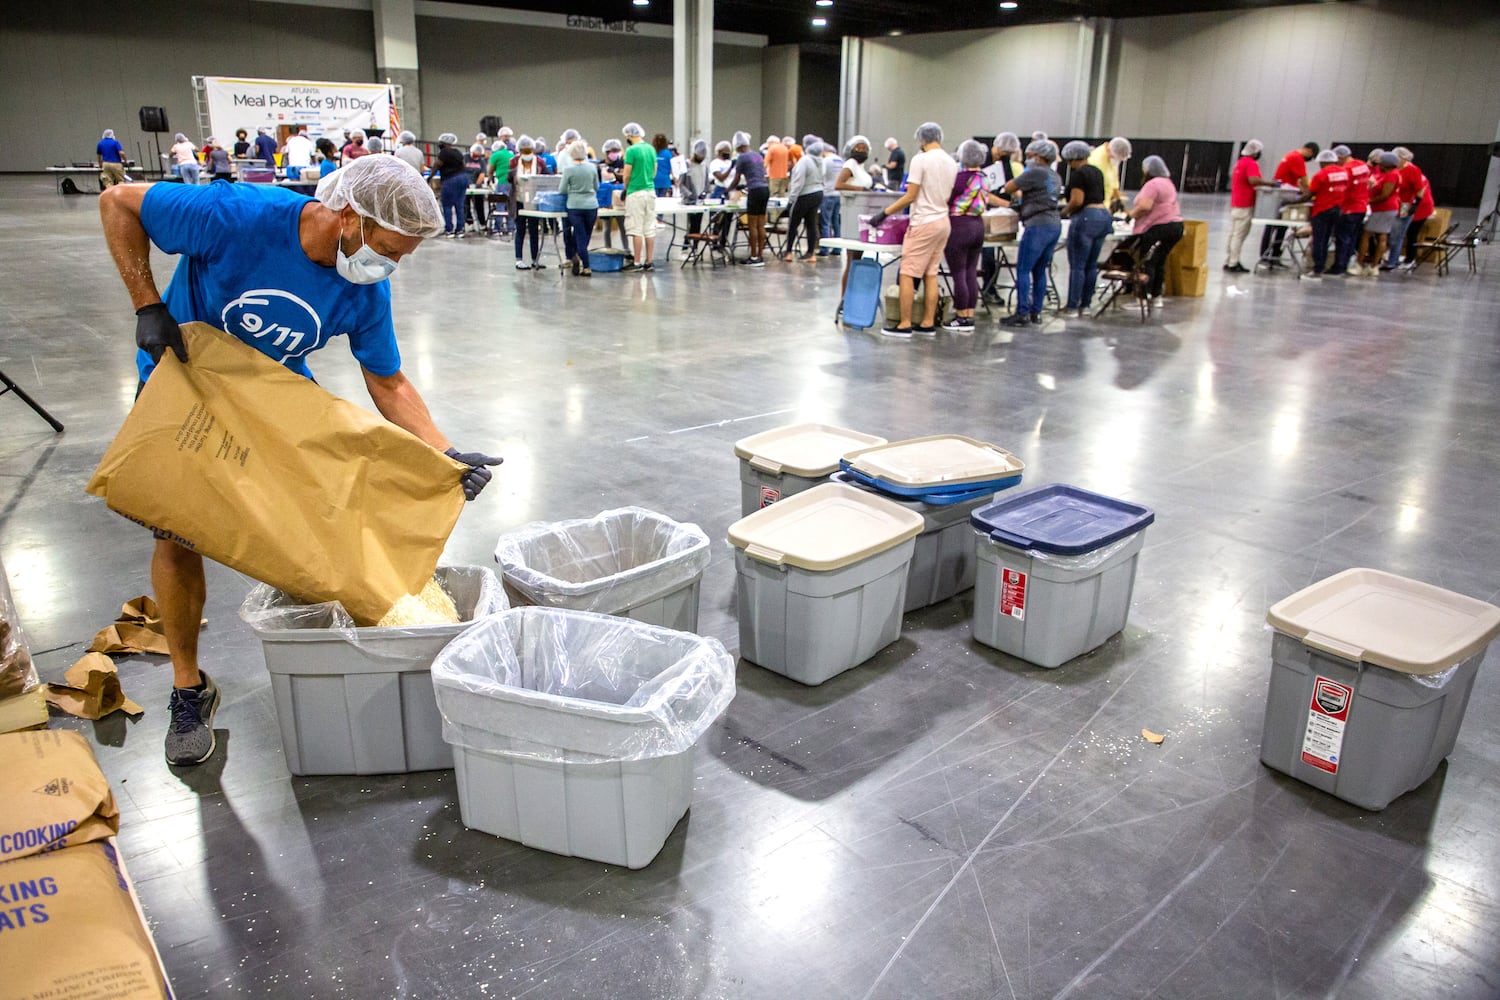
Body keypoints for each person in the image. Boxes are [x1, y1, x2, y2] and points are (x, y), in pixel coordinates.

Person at [98, 154, 499, 767]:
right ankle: (188, 689)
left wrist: (442, 453)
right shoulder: (236, 216)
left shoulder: (366, 289)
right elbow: (119, 202)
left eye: (402, 258)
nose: (390, 266)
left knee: (316, 524)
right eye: (389, 249)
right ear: (349, 216)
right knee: (178, 536)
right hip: (188, 391)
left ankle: (325, 659)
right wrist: (147, 303)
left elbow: (387, 381)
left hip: (273, 405)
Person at [874, 122, 957, 336]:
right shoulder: (951, 161)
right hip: (943, 222)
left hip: (923, 222)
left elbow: (911, 195)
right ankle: (928, 322)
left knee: (908, 273)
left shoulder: (921, 160)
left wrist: (884, 213)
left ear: (922, 139)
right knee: (931, 272)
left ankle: (905, 324)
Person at [943, 139, 1008, 331]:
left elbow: (946, 199)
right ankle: (970, 312)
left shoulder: (959, 179)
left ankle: (961, 314)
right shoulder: (985, 178)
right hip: (978, 225)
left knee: (959, 273)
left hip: (959, 225)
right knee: (971, 271)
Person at [998, 140, 1062, 327]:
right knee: (1040, 270)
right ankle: (1036, 312)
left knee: (1024, 269)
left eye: (1030, 156)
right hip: (1053, 224)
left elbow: (1010, 187)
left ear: (1039, 157)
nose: (1027, 160)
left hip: (1037, 225)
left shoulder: (1035, 172)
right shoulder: (1054, 176)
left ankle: (1022, 312)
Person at [1060, 139, 1113, 317]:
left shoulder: (1078, 175)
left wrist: (1064, 212)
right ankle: (1086, 305)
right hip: (1103, 217)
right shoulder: (1097, 172)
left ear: (1072, 158)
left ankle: (1072, 307)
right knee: (1091, 265)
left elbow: (1077, 200)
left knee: (1077, 266)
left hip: (1086, 218)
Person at [1126, 155, 1184, 309]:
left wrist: (1129, 216)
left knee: (1147, 262)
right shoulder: (1168, 183)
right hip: (1176, 226)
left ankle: (1142, 297)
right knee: (1159, 261)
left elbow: (1145, 206)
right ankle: (1156, 296)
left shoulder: (1152, 184)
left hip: (1159, 226)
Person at [1262, 141, 1318, 260]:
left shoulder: (1290, 155)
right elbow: (1304, 180)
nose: (1309, 159)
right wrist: (1310, 193)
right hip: (1284, 194)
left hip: (1282, 191)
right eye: (1311, 157)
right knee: (1276, 225)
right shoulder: (1297, 158)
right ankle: (1268, 255)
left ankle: (1273, 254)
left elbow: (1297, 180)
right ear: (1309, 150)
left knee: (1277, 225)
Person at [725, 131, 771, 267]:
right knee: (761, 224)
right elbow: (760, 174)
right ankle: (761, 255)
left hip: (755, 191)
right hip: (764, 189)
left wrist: (728, 189)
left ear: (738, 147)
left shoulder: (742, 158)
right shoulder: (758, 155)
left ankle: (753, 256)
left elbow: (737, 178)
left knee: (752, 225)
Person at [1303, 149, 1349, 279]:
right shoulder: (1344, 172)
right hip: (1338, 210)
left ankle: (1318, 269)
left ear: (1323, 162)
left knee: (1319, 240)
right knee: (1329, 238)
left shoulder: (1321, 175)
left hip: (1322, 210)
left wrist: (1292, 202)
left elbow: (1310, 194)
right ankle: (1336, 266)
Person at [620, 122, 659, 272]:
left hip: (636, 193)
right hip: (650, 192)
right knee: (649, 228)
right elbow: (654, 171)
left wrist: (626, 188)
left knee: (636, 229)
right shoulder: (651, 149)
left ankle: (636, 262)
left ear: (629, 135)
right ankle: (649, 261)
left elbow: (627, 173)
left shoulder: (631, 150)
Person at [559, 140, 599, 277]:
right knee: (585, 236)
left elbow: (562, 189)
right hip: (591, 206)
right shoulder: (592, 168)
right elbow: (596, 187)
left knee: (579, 235)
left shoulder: (568, 170)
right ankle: (579, 255)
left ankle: (586, 266)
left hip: (575, 206)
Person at [1388, 147, 1433, 268]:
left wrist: (1413, 205)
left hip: (1413, 205)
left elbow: (1420, 190)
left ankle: (1409, 259)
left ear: (1403, 158)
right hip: (1401, 204)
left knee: (1407, 232)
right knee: (1398, 232)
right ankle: (1395, 258)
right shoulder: (1397, 169)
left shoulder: (1412, 170)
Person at [510, 135, 550, 268]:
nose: (527, 154)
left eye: (529, 151)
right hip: (519, 200)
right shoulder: (514, 162)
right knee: (520, 229)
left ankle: (535, 259)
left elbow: (547, 177)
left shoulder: (539, 162)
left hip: (534, 200)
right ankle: (518, 259)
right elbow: (509, 178)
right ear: (519, 151)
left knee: (534, 230)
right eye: (524, 151)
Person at [782, 141, 826, 261]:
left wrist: (791, 200)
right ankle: (811, 253)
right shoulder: (822, 161)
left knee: (793, 223)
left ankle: (789, 252)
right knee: (811, 224)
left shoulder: (805, 161)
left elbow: (798, 181)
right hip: (818, 193)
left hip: (804, 194)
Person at [1358, 151, 1400, 275]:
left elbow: (1385, 195)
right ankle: (1374, 266)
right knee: (1382, 236)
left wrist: (1368, 201)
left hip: (1384, 209)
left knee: (1367, 235)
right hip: (1385, 209)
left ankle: (1361, 264)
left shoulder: (1392, 175)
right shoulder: (1387, 174)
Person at [1333, 145, 1371, 276]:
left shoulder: (1346, 170)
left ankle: (1339, 266)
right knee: (1352, 237)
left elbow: (1342, 188)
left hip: (1349, 207)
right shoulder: (1363, 165)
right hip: (1361, 207)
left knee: (1342, 238)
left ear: (1341, 157)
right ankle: (1347, 263)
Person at [435, 133, 468, 238]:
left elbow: (437, 165)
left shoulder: (443, 152)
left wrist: (430, 176)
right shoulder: (458, 152)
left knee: (447, 205)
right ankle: (460, 230)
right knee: (459, 206)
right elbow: (464, 164)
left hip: (450, 179)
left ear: (444, 143)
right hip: (462, 178)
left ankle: (449, 230)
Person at [1087, 137, 1132, 212]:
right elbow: (1093, 190)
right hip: (1095, 207)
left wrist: (1118, 200)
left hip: (1105, 207)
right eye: (1117, 158)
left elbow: (1114, 184)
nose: (1118, 161)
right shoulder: (1096, 161)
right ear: (1111, 151)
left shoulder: (1112, 160)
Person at [816, 142, 844, 257]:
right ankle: (837, 249)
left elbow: (821, 175)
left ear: (824, 151)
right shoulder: (841, 161)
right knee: (836, 222)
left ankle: (824, 249)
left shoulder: (825, 161)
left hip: (828, 193)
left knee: (825, 222)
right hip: (839, 194)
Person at [764, 135, 790, 199]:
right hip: (784, 175)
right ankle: (781, 209)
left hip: (774, 176)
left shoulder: (772, 148)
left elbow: (765, 163)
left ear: (771, 142)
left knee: (773, 196)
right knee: (782, 196)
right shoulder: (785, 148)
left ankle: (774, 209)